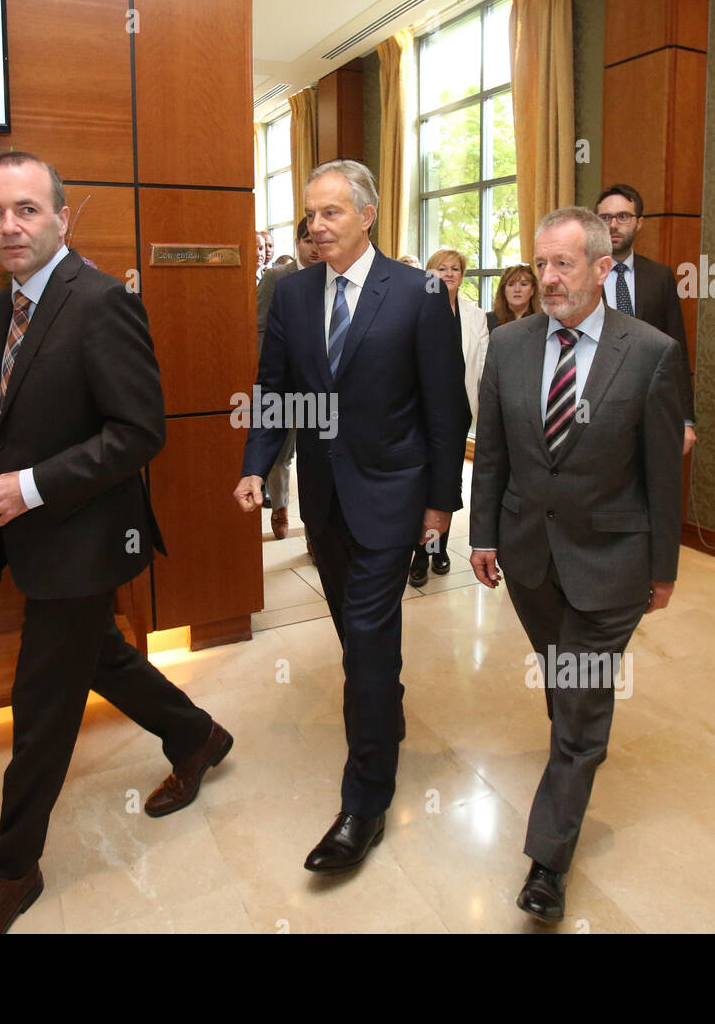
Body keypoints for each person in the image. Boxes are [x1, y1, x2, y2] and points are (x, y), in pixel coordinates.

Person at [0, 151, 231, 934]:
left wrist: (28, 486)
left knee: (41, 702)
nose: (9, 226)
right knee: (100, 655)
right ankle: (196, 733)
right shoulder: (7, 308)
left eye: (26, 209)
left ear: (61, 218)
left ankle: (9, 873)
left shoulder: (101, 302)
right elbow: (12, 412)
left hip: (86, 539)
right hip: (38, 538)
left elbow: (140, 432)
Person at [235, 160, 470, 873]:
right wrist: (256, 464)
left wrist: (440, 504)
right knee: (357, 633)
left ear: (367, 215)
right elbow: (274, 388)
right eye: (311, 214)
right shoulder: (295, 293)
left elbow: (444, 404)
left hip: (394, 495)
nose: (316, 226)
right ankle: (384, 702)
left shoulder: (419, 292)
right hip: (325, 502)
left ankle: (365, 802)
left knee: (366, 638)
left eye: (331, 213)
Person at [468, 206, 684, 925]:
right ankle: (577, 748)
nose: (547, 279)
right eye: (541, 263)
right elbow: (493, 452)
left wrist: (663, 568)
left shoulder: (649, 352)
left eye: (563, 264)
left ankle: (547, 863)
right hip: (531, 560)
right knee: (567, 684)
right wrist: (484, 536)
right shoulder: (509, 346)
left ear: (600, 267)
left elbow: (661, 472)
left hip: (612, 561)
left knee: (582, 704)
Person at [594, 183, 696, 455]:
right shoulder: (581, 276)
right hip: (593, 409)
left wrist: (685, 418)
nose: (614, 225)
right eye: (605, 218)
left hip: (649, 406)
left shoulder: (660, 277)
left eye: (623, 217)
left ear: (639, 223)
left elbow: (677, 350)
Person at [408, 248, 487, 586]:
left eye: (455, 268)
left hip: (458, 411)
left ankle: (437, 549)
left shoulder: (475, 315)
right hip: (418, 412)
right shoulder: (415, 309)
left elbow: (483, 367)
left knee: (448, 480)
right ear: (429, 273)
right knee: (420, 482)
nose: (449, 273)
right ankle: (418, 552)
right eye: (441, 268)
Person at [255, 220, 314, 539]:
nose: (315, 248)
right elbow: (260, 327)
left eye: (319, 241)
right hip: (286, 385)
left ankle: (314, 529)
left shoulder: (336, 274)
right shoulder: (277, 277)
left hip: (323, 389)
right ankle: (279, 505)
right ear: (297, 243)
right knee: (282, 453)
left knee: (317, 454)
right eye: (308, 241)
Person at [489, 263, 539, 332]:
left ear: (532, 290)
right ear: (503, 290)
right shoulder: (488, 321)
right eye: (511, 285)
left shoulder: (543, 321)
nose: (517, 289)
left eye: (523, 284)